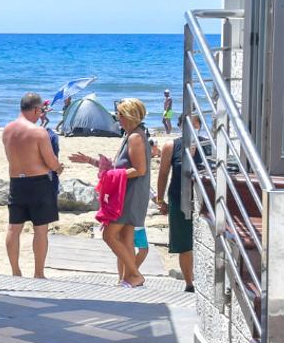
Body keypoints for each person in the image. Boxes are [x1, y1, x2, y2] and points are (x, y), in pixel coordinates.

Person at [70, 98, 150, 288]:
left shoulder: (135, 137)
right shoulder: (130, 135)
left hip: (129, 195)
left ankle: (135, 275)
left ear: (128, 115)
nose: (117, 119)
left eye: (119, 115)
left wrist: (114, 175)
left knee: (109, 235)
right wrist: (90, 160)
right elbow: (117, 166)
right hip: (128, 193)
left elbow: (140, 170)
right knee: (126, 239)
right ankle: (126, 279)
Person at [1, 93, 63, 279]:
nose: (41, 114)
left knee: (14, 228)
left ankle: (15, 271)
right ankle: (38, 273)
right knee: (41, 229)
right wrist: (59, 168)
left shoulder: (7, 129)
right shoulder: (38, 132)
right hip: (38, 183)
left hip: (16, 182)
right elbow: (51, 162)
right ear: (36, 109)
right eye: (41, 110)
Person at [154, 113, 205, 292]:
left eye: (194, 123)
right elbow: (163, 174)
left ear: (199, 125)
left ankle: (200, 279)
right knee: (184, 243)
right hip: (177, 197)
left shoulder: (207, 146)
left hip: (202, 200)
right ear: (181, 125)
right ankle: (189, 283)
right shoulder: (171, 145)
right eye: (186, 123)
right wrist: (161, 200)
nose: (190, 127)